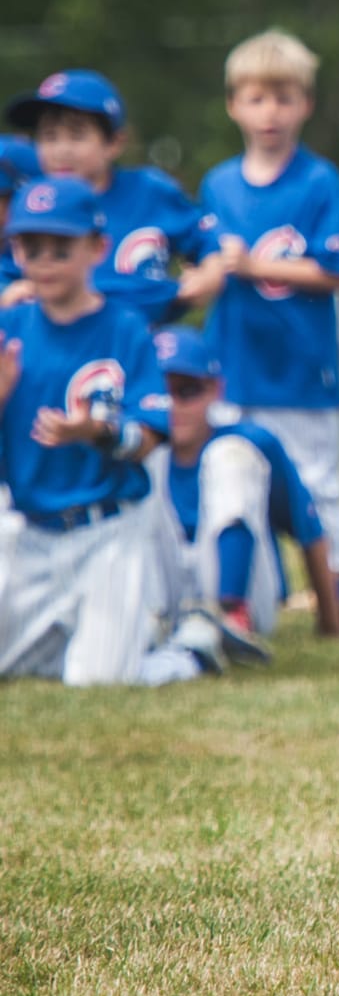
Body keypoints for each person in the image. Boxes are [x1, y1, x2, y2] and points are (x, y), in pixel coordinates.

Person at [199, 29, 339, 588]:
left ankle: (333, 589)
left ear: (305, 105)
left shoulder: (318, 180)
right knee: (238, 477)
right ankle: (263, 587)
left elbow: (335, 270)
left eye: (284, 98)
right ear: (234, 104)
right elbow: (206, 266)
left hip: (301, 367)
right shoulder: (218, 184)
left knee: (317, 483)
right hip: (236, 364)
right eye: (257, 98)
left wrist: (252, 267)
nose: (270, 112)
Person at [0, 177, 168, 684]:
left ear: (98, 247)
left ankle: (188, 650)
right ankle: (95, 634)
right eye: (32, 247)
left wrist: (98, 431)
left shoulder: (125, 328)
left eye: (61, 247)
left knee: (98, 680)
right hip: (33, 533)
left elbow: (151, 436)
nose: (45, 260)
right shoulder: (11, 330)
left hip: (108, 532)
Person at [139, 327, 339, 682]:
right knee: (141, 458)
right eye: (162, 392)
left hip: (243, 588)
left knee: (232, 457)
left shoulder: (252, 438)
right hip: (164, 591)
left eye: (187, 391)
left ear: (215, 389)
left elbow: (309, 532)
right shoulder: (142, 446)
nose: (174, 405)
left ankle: (230, 615)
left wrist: (332, 624)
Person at [0, 70, 221, 323]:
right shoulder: (33, 204)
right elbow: (8, 271)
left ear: (115, 142)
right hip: (64, 349)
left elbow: (207, 238)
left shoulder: (149, 190)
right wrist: (9, 291)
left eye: (77, 135)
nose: (62, 150)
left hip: (149, 343)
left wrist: (209, 273)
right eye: (49, 136)